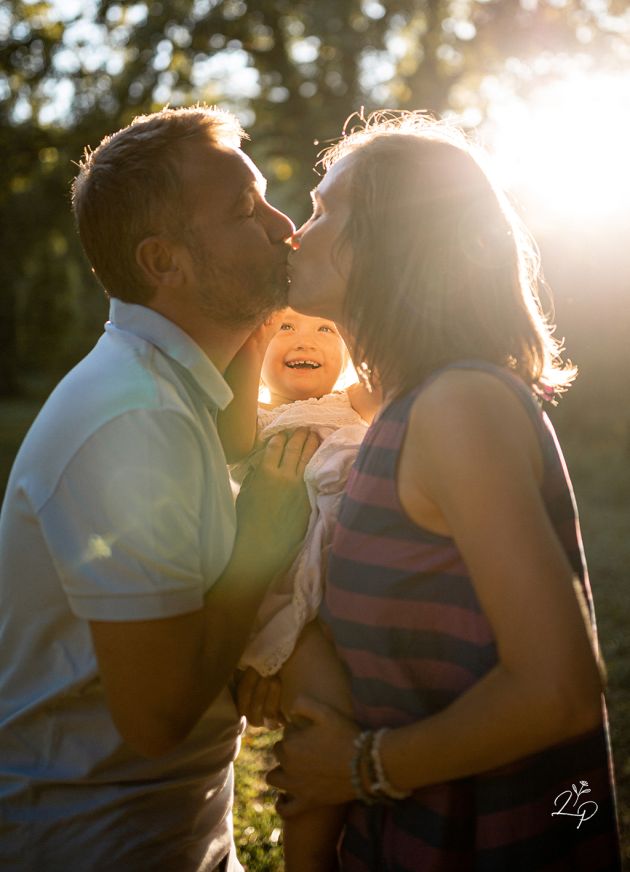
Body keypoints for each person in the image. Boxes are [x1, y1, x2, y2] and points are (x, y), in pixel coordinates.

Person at [265, 112, 622, 870]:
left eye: (324, 210)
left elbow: (559, 688)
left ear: (392, 239)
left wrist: (359, 767)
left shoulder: (459, 404)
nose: (297, 233)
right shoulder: (398, 412)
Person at [0, 106, 319, 871]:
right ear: (163, 262)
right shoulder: (135, 420)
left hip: (169, 832)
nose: (284, 226)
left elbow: (235, 447)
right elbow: (157, 716)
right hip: (96, 844)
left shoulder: (166, 387)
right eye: (245, 210)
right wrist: (260, 537)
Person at [219, 307, 378, 870]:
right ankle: (309, 859)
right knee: (322, 718)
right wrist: (249, 339)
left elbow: (395, 371)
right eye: (283, 327)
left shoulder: (354, 404)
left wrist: (357, 313)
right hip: (287, 604)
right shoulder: (257, 420)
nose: (304, 340)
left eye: (325, 328)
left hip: (351, 592)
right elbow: (232, 437)